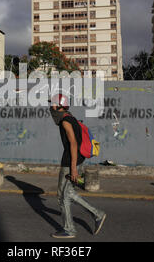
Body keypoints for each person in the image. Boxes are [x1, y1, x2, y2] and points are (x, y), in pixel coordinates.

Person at [49, 94, 106, 239]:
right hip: (77, 160)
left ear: (59, 106)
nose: (51, 107)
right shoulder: (71, 117)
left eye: (53, 104)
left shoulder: (65, 122)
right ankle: (97, 214)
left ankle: (70, 229)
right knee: (69, 193)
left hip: (70, 163)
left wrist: (73, 167)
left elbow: (73, 143)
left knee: (62, 196)